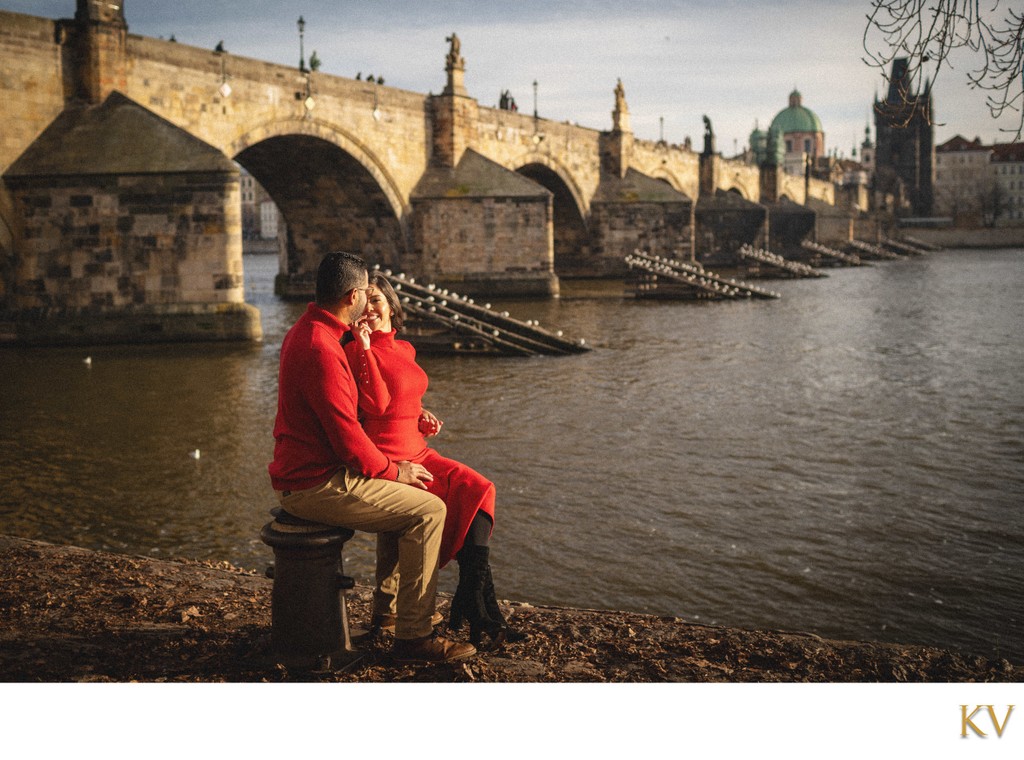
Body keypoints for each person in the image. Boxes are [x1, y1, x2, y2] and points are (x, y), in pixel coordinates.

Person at [268, 251, 475, 664]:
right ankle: (415, 637)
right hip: (315, 484)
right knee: (428, 511)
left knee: (411, 501)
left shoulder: (310, 331)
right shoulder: (322, 349)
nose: (369, 300)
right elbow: (347, 437)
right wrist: (393, 470)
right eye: (366, 293)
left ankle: (389, 614)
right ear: (352, 295)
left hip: (311, 474)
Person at [344, 273, 525, 649]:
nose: (370, 308)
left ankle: (473, 602)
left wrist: (421, 414)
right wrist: (362, 346)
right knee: (444, 508)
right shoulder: (354, 351)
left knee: (478, 490)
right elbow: (375, 404)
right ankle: (479, 612)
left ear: (392, 306)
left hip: (419, 447)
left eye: (376, 300)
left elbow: (402, 397)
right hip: (390, 457)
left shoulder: (405, 349)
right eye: (364, 302)